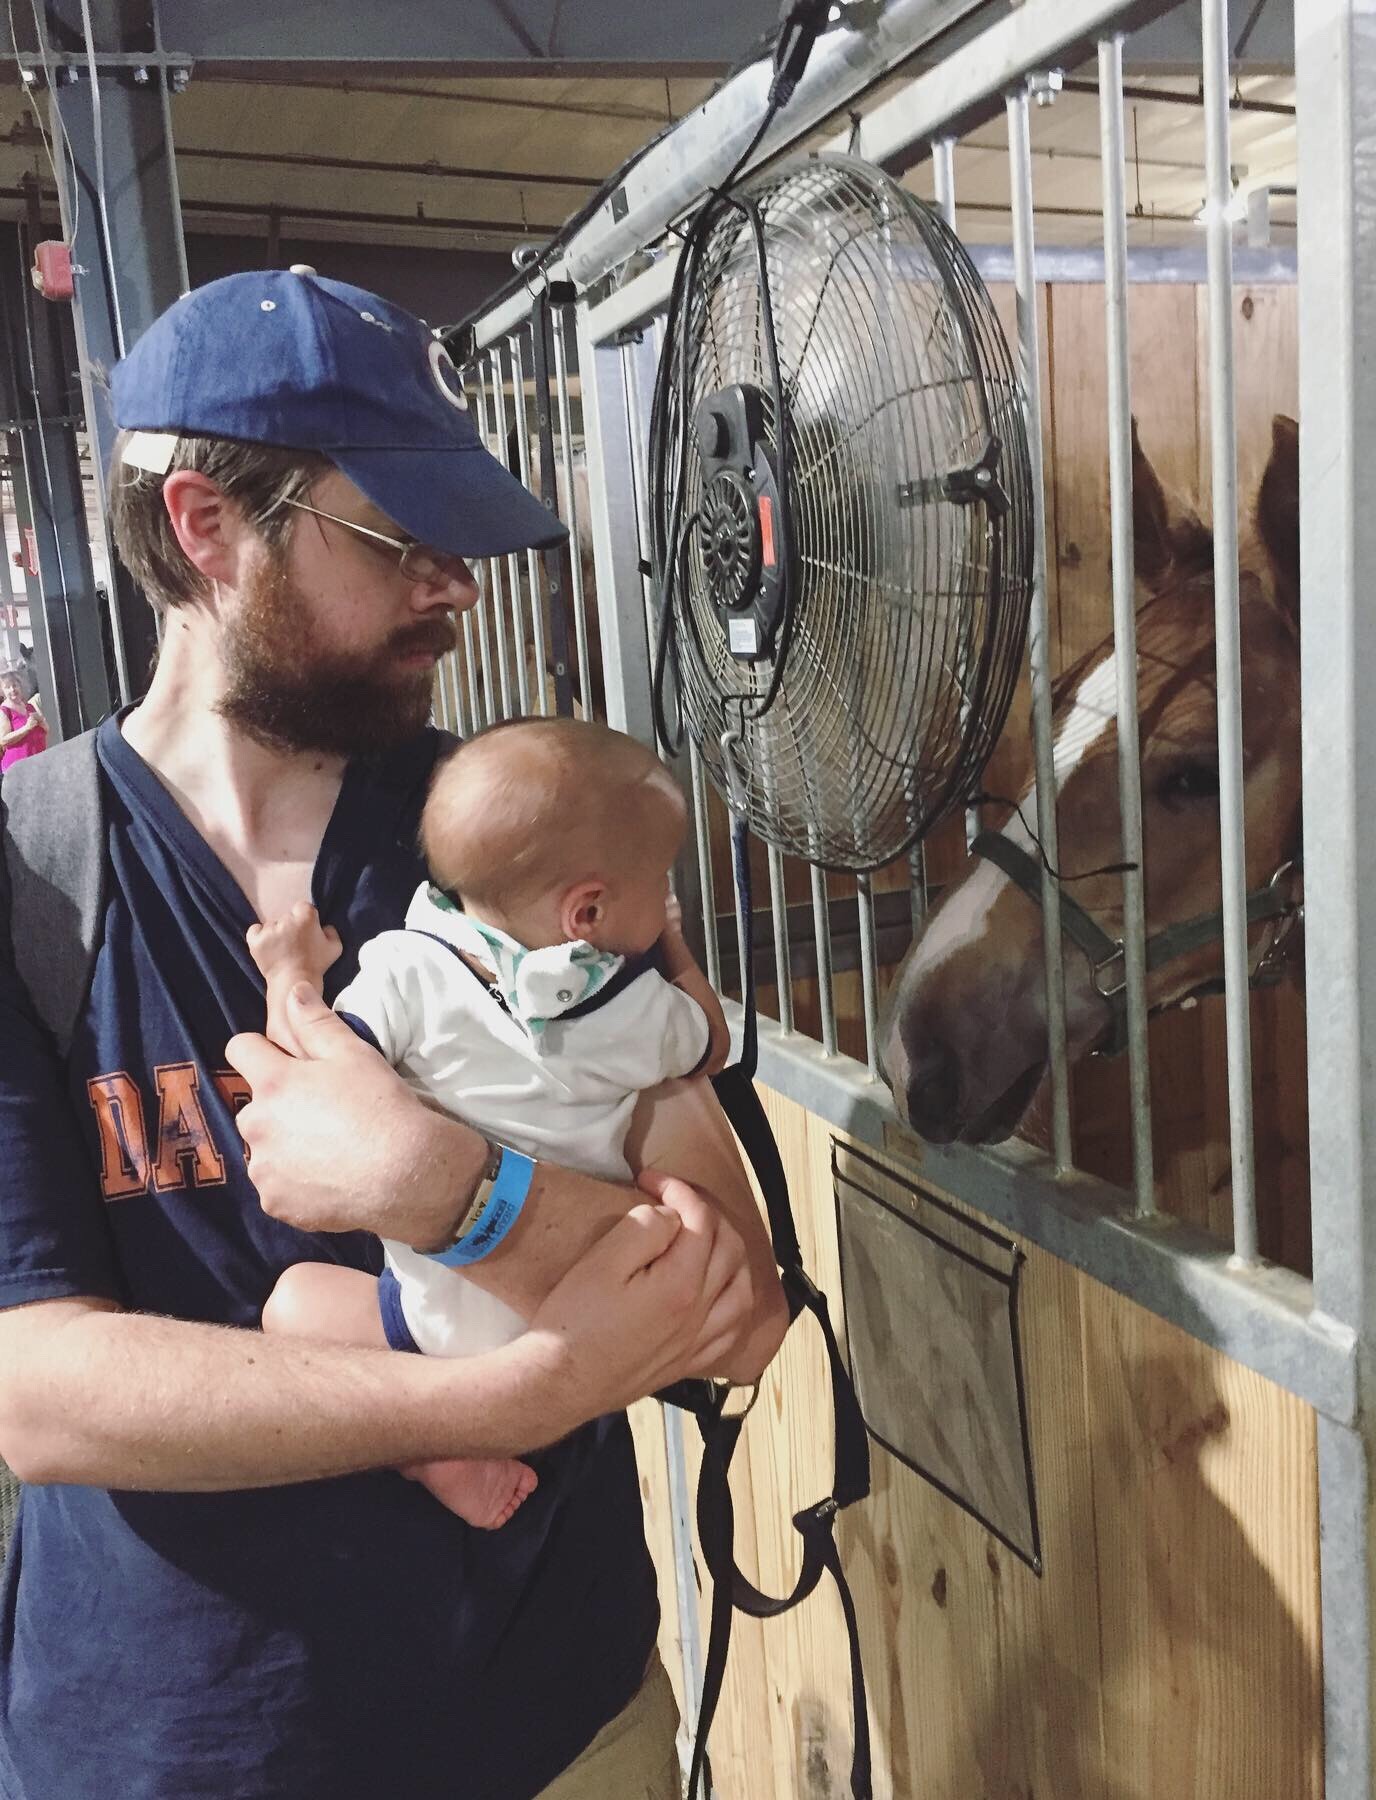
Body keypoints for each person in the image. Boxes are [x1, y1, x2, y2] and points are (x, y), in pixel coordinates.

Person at [0, 268, 787, 1800]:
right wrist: (504, 1396)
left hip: (563, 1729)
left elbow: (735, 1298)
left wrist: (444, 1184)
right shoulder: (31, 878)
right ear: (204, 531)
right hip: (175, 1753)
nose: (457, 586)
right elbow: (36, 1392)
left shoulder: (523, 839)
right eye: (398, 542)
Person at [251, 716, 732, 1531]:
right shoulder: (634, 1013)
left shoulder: (407, 969)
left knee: (291, 1305)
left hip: (434, 1324)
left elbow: (311, 1074)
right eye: (661, 882)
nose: (667, 899)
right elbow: (712, 1042)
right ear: (587, 912)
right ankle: (480, 1422)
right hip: (580, 1316)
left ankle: (435, 1442)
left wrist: (290, 976)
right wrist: (675, 950)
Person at [0, 667, 45, 771]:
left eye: (15, 685)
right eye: (7, 687)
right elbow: (3, 740)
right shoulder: (4, 710)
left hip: (36, 763)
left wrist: (42, 722)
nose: (12, 689)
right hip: (17, 769)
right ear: (2, 691)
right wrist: (26, 728)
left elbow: (46, 730)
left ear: (20, 686)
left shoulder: (29, 706)